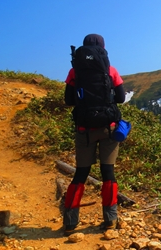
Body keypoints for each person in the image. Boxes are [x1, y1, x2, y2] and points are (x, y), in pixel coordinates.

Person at [63, 33, 125, 235]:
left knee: (81, 173)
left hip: (84, 130)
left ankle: (70, 222)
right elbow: (122, 98)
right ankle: (110, 219)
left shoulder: (74, 72)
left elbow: (69, 101)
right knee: (108, 172)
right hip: (108, 127)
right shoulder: (111, 70)